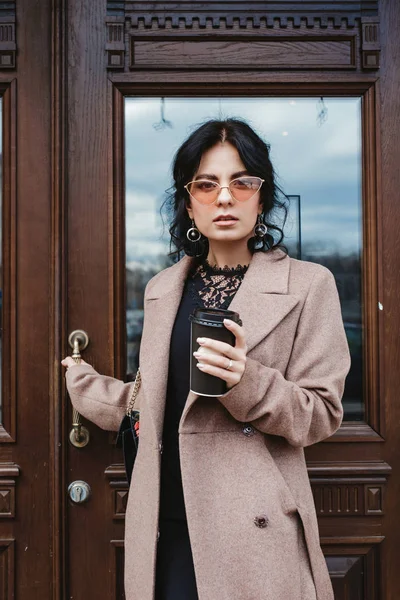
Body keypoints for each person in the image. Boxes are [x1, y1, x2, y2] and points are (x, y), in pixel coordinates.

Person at [62, 118, 351, 600]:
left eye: (242, 182)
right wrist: (87, 386)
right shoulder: (162, 289)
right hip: (166, 522)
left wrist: (247, 382)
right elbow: (155, 400)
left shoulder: (309, 284)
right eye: (206, 183)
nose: (224, 197)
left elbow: (321, 414)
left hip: (252, 534)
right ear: (188, 199)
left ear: (262, 197)